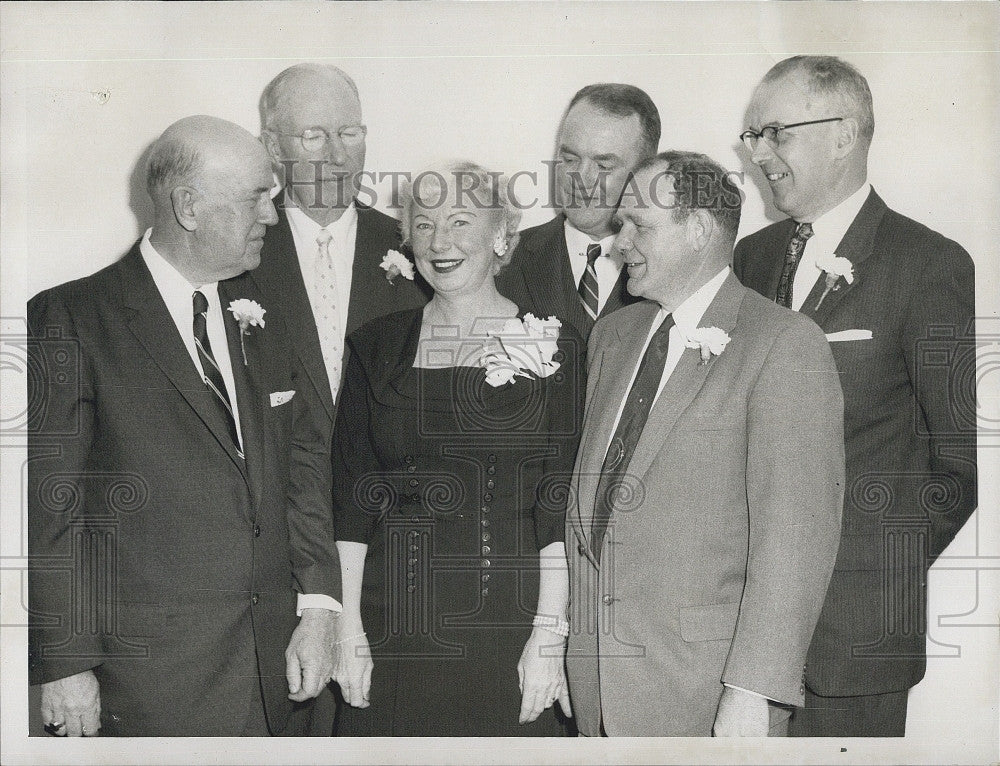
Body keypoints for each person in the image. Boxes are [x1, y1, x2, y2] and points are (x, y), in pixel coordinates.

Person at [27, 116, 341, 736]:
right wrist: (67, 665)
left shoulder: (267, 311)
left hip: (282, 676)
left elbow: (302, 469)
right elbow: (49, 505)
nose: (273, 218)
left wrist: (321, 605)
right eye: (257, 197)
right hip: (150, 685)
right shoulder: (71, 317)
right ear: (188, 206)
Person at [733, 55, 978, 737]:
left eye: (775, 133)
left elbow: (959, 464)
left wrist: (873, 570)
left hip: (853, 640)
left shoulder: (929, 264)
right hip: (735, 630)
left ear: (843, 133)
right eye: (754, 138)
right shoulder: (749, 260)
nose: (759, 156)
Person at [565, 151, 844, 737]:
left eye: (640, 224)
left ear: (698, 230)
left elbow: (793, 542)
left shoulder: (783, 344)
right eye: (621, 225)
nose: (620, 241)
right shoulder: (612, 336)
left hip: (708, 692)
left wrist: (753, 692)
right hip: (598, 685)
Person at [330, 162, 584, 736]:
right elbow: (351, 498)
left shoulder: (555, 342)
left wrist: (549, 631)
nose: (439, 242)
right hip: (390, 630)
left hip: (509, 632)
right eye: (423, 225)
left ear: (501, 237)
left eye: (460, 222)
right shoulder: (377, 344)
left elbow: (557, 498)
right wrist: (348, 630)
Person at [496, 83, 658, 340]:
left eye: (603, 165)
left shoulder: (672, 267)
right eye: (570, 160)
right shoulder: (502, 261)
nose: (580, 178)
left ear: (644, 172)